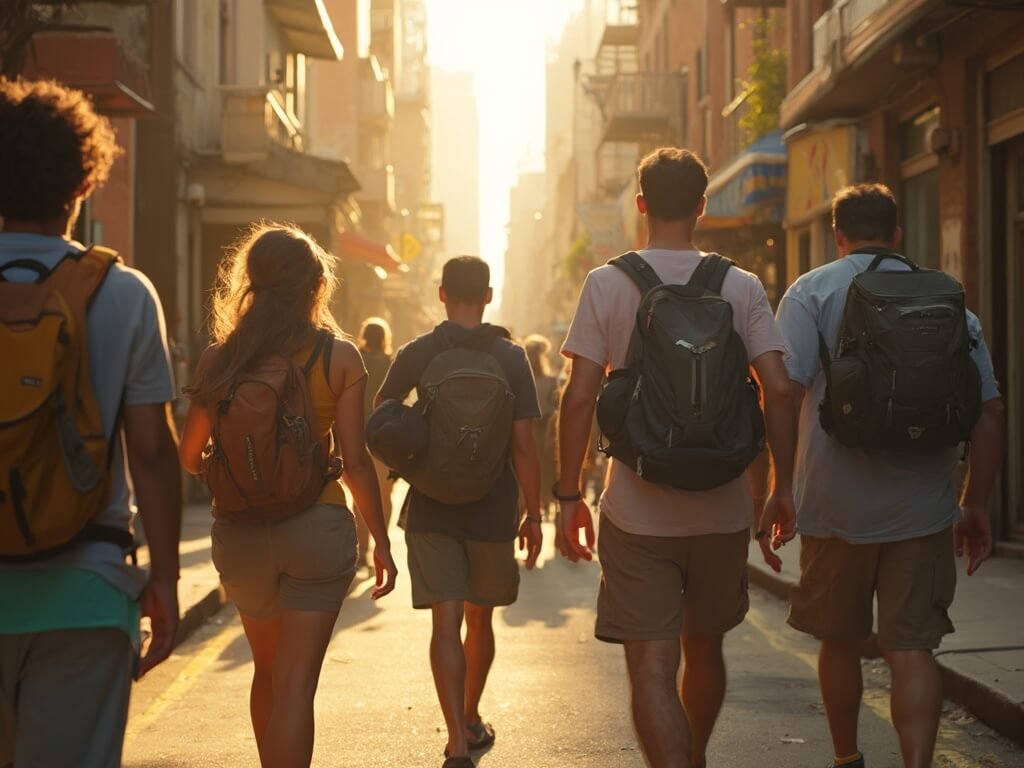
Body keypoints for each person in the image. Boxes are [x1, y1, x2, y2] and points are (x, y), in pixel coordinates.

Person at [556, 147, 798, 768]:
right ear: (702, 206)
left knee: (652, 669)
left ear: (640, 205)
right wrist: (779, 486)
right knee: (706, 648)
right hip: (721, 509)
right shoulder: (739, 285)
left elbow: (579, 398)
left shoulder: (608, 283)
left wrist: (566, 498)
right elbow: (779, 387)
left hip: (637, 510)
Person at [771, 183, 1005, 768]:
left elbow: (783, 393)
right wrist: (974, 502)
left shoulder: (810, 292)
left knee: (839, 641)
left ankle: (848, 757)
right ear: (899, 234)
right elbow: (991, 412)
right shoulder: (950, 300)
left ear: (837, 235)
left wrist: (777, 488)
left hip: (833, 507)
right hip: (923, 510)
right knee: (913, 649)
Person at [0, 78, 182, 767]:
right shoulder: (125, 294)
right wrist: (162, 580)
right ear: (83, 180)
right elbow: (154, 454)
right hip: (87, 588)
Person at [178, 224, 398, 768]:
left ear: (250, 282)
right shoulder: (339, 357)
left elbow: (188, 456)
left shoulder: (219, 360)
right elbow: (354, 463)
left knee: (268, 673)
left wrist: (241, 473)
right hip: (316, 529)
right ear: (316, 285)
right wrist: (383, 542)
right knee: (297, 686)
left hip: (241, 534)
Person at [375, 256, 543, 768]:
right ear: (488, 296)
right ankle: (471, 715)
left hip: (430, 504)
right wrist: (534, 514)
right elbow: (525, 447)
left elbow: (381, 420)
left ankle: (455, 742)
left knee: (444, 625)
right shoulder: (512, 357)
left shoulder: (416, 353)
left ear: (442, 293)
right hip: (492, 507)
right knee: (480, 620)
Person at [356, 316, 396, 570]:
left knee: (359, 494)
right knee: (384, 495)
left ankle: (362, 550)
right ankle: (383, 545)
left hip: (356, 434)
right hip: (385, 438)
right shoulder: (391, 364)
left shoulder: (355, 360)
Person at [524, 334, 559, 517]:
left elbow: (556, 406)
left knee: (549, 470)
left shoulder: (551, 380)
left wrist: (548, 417)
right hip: (526, 432)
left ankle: (549, 504)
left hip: (546, 434)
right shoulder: (521, 380)